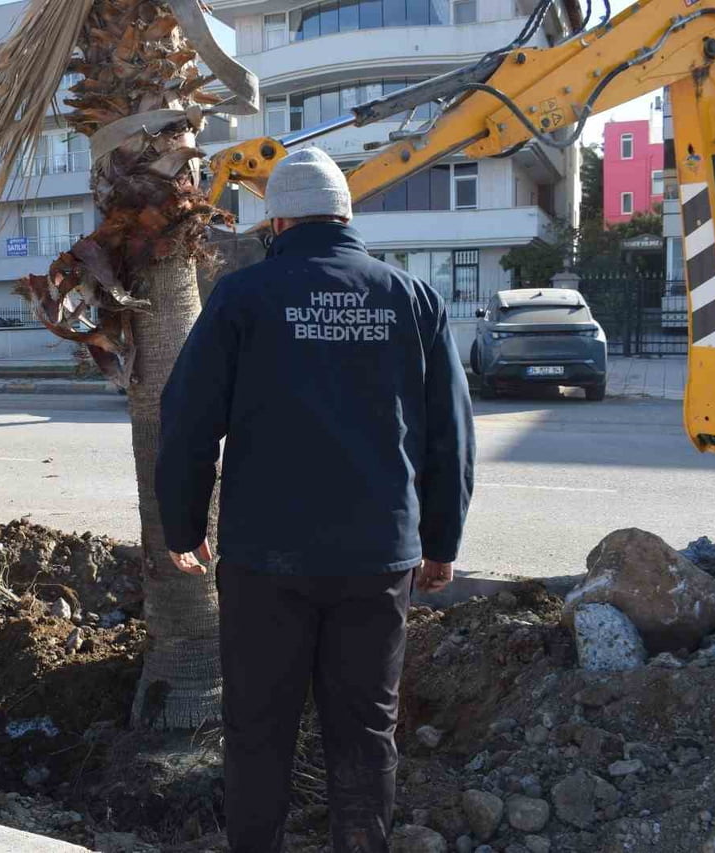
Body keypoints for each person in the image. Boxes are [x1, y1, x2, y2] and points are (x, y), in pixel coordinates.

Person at [155, 147, 475, 852]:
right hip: (376, 558)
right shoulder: (412, 298)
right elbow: (449, 432)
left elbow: (187, 420)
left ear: (276, 221)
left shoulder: (243, 297)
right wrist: (441, 542)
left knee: (258, 731)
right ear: (346, 215)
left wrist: (182, 523)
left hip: (265, 561)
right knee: (365, 731)